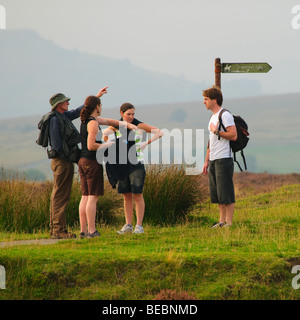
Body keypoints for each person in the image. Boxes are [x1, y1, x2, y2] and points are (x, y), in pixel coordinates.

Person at [46, 87, 108, 239]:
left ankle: (58, 229)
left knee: (63, 195)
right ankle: (58, 231)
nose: (68, 102)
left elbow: (78, 111)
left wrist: (97, 96)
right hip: (62, 162)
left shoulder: (63, 116)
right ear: (58, 104)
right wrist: (69, 156)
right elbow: (57, 145)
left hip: (68, 161)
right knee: (60, 196)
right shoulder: (54, 120)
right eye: (65, 101)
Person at [78, 96, 137, 239]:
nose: (102, 107)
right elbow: (91, 145)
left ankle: (83, 231)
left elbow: (110, 121)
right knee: (92, 197)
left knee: (85, 196)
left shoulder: (87, 120)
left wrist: (126, 125)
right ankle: (92, 231)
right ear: (97, 106)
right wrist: (108, 145)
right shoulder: (93, 124)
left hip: (82, 161)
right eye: (100, 104)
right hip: (92, 162)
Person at [102, 103, 164, 234]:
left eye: (133, 114)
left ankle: (139, 226)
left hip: (136, 164)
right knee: (126, 195)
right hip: (121, 165)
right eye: (128, 114)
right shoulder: (117, 125)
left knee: (137, 194)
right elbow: (104, 134)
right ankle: (128, 225)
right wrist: (110, 144)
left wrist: (145, 144)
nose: (131, 117)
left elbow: (159, 132)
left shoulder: (138, 125)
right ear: (121, 113)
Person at [202, 86, 237, 228]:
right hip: (214, 159)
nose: (204, 102)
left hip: (224, 157)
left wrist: (217, 131)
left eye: (206, 99)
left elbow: (233, 135)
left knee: (226, 191)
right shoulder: (212, 117)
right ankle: (221, 221)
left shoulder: (225, 115)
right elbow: (211, 141)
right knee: (217, 193)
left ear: (214, 100)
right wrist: (206, 161)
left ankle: (229, 222)